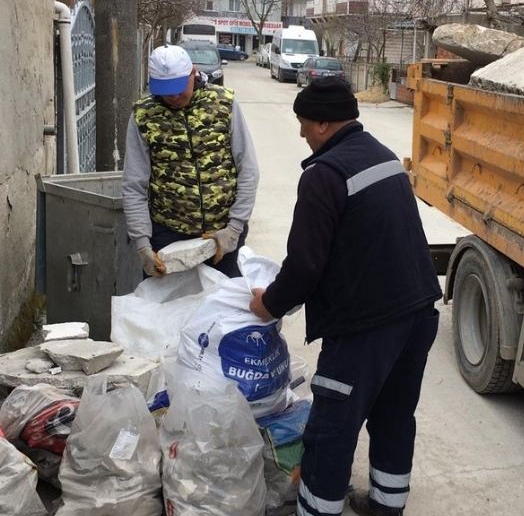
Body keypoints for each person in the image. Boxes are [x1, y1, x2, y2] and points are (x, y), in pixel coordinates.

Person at [249, 77, 441, 516]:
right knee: (394, 417)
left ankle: (318, 511)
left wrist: (269, 304)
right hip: (417, 314)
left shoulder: (324, 175)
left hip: (365, 328)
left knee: (332, 428)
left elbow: (304, 266)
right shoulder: (383, 156)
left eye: (302, 123)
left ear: (321, 123)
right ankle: (386, 506)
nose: (299, 133)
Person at [122, 45, 258, 278]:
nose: (174, 97)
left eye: (178, 89)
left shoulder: (223, 103)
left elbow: (248, 169)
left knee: (222, 307)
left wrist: (235, 227)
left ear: (193, 73)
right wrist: (143, 244)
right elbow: (134, 184)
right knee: (169, 310)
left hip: (221, 233)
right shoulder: (144, 116)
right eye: (166, 91)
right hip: (168, 235)